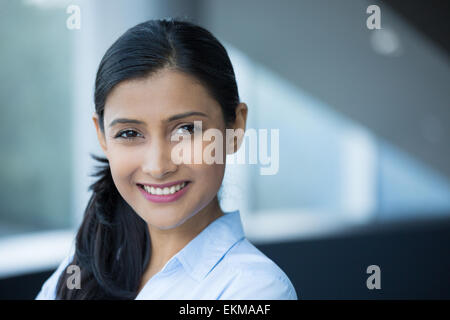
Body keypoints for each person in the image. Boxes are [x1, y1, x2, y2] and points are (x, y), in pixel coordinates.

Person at [35, 18, 298, 300]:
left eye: (186, 129)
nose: (158, 166)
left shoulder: (256, 290)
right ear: (102, 136)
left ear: (234, 129)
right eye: (129, 133)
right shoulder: (84, 268)